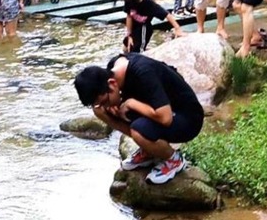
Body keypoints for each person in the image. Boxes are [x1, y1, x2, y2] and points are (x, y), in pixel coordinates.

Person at [74, 53, 204, 185]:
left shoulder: (143, 72)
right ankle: (148, 150)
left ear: (112, 84)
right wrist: (110, 109)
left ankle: (173, 160)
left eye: (104, 101)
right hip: (160, 110)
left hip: (187, 118)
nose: (105, 106)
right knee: (100, 111)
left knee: (138, 130)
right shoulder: (113, 68)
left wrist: (131, 103)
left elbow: (165, 118)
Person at [112, 0, 184, 53]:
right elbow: (129, 16)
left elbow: (166, 14)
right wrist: (129, 35)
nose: (124, 0)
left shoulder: (147, 2)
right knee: (126, 49)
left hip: (144, 29)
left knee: (138, 52)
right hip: (134, 27)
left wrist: (177, 28)